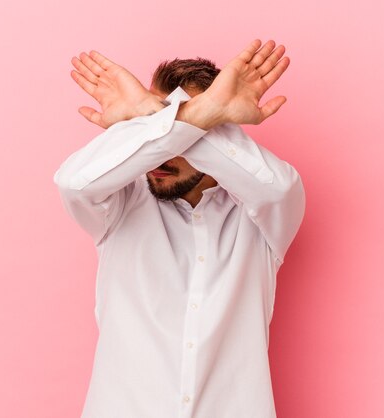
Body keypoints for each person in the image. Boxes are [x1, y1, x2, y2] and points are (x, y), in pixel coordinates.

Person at [53, 39, 306, 418]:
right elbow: (72, 183)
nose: (163, 148)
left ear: (220, 127)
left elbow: (280, 187)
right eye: (159, 129)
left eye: (186, 126)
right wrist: (166, 118)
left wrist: (160, 121)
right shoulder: (119, 205)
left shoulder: (260, 217)